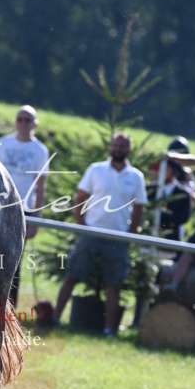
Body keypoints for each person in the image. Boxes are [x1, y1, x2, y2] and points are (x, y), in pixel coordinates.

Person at [53, 132, 147, 336]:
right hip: (91, 233)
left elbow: (139, 209)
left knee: (114, 284)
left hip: (118, 238)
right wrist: (82, 226)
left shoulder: (136, 177)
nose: (118, 149)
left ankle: (109, 329)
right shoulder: (95, 170)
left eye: (122, 146)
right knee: (72, 276)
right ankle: (55, 319)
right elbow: (80, 198)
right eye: (116, 145)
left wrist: (130, 235)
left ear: (128, 150)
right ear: (110, 147)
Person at [0, 105, 50, 305]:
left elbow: (41, 185)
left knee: (13, 260)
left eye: (28, 120)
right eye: (21, 119)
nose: (24, 123)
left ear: (35, 124)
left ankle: (9, 306)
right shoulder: (2, 144)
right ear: (15, 122)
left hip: (22, 208)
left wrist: (36, 217)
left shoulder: (40, 150)